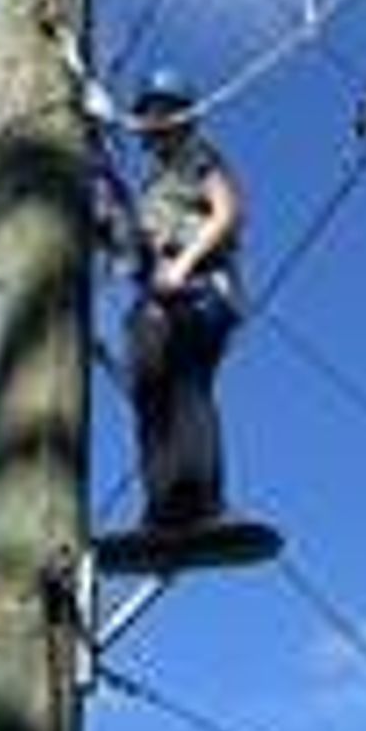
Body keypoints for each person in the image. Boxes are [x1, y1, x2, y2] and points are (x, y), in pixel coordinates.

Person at [121, 66, 244, 532]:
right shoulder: (151, 187)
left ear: (182, 116)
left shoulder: (197, 155)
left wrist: (184, 264)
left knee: (187, 384)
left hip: (199, 289)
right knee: (150, 392)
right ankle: (163, 503)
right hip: (159, 297)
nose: (155, 123)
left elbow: (227, 213)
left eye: (164, 112)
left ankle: (204, 502)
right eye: (150, 114)